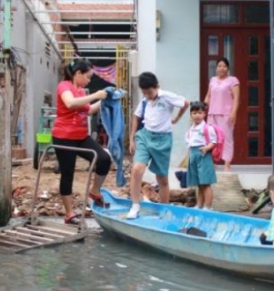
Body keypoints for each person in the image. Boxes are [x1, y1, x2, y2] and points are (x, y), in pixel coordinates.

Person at [53, 58, 112, 225]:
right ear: (78, 73)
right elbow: (70, 104)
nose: (89, 80)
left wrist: (106, 99)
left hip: (80, 136)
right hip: (64, 137)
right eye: (87, 76)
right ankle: (69, 214)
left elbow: (89, 110)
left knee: (104, 159)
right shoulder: (64, 86)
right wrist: (95, 95)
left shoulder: (80, 90)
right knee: (68, 173)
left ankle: (94, 191)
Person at [126, 72, 190, 219]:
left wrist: (177, 118)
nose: (147, 95)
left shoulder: (167, 96)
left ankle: (164, 209)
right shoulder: (144, 101)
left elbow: (186, 103)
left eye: (149, 92)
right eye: (144, 93)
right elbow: (136, 117)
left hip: (163, 140)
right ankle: (135, 205)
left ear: (157, 87)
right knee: (137, 169)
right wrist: (132, 138)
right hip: (145, 136)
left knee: (162, 179)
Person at [204, 58, 240, 172]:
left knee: (226, 138)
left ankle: (227, 164)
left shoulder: (233, 80)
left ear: (228, 68)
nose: (221, 68)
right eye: (219, 66)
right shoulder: (213, 80)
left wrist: (233, 112)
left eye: (224, 66)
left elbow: (236, 98)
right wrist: (202, 108)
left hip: (226, 114)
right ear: (216, 68)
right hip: (212, 113)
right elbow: (208, 96)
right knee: (211, 138)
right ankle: (213, 162)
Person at [185, 102, 217, 209]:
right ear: (191, 115)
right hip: (193, 155)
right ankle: (199, 205)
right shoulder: (190, 130)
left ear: (204, 114)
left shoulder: (207, 128)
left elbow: (214, 141)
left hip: (203, 155)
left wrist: (207, 148)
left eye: (200, 113)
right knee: (199, 183)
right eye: (194, 113)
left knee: (206, 182)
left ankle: (208, 207)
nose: (197, 115)